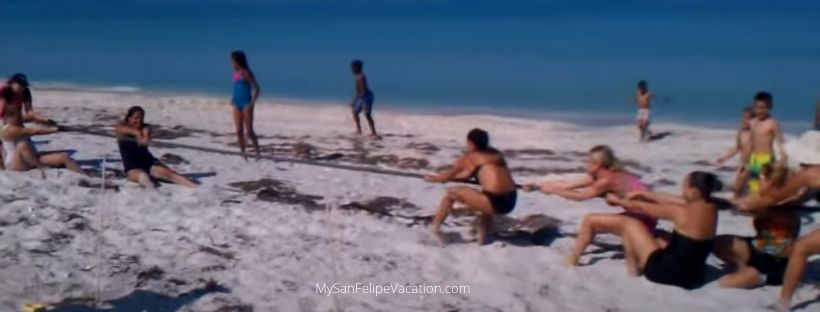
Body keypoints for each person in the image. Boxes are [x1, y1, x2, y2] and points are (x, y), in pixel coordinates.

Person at [522, 145, 657, 266]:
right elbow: (569, 184)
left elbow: (580, 197)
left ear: (597, 164)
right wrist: (537, 186)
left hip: (644, 220)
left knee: (589, 221)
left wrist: (554, 191)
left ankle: (572, 260)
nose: (585, 164)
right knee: (593, 225)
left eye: (588, 161)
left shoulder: (606, 180)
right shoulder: (602, 175)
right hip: (643, 215)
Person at [738, 130, 820, 311]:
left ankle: (783, 303)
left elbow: (774, 197)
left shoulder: (809, 173)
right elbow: (801, 199)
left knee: (801, 248)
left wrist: (748, 205)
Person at [604, 171, 722, 289]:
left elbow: (642, 207)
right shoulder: (712, 207)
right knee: (659, 234)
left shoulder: (680, 212)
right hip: (694, 278)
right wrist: (642, 194)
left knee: (629, 223)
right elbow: (672, 199)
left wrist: (618, 201)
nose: (682, 191)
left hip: (664, 273)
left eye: (685, 188)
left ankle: (633, 270)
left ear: (694, 192)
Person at [713, 164, 800, 289]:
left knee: (726, 283)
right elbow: (737, 203)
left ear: (772, 183)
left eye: (761, 179)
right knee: (719, 242)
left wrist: (737, 189)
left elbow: (742, 206)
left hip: (774, 260)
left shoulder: (782, 203)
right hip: (758, 247)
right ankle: (745, 268)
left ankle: (766, 277)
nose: (758, 182)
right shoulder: (764, 198)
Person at [425, 128, 517, 245]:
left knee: (450, 194)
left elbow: (447, 177)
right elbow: (469, 174)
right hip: (511, 200)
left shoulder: (471, 156)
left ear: (471, 143)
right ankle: (482, 240)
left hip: (495, 202)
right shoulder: (496, 153)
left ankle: (435, 230)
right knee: (485, 199)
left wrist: (433, 179)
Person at [0, 93, 83, 178]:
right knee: (64, 157)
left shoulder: (7, 126)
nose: (20, 116)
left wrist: (47, 121)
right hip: (20, 163)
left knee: (52, 155)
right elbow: (35, 131)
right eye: (18, 114)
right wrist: (57, 129)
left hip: (16, 160)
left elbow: (30, 118)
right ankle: (85, 176)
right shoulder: (11, 130)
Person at [115, 106, 197, 189]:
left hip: (149, 163)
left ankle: (196, 188)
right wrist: (137, 133)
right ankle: (156, 196)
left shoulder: (145, 128)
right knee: (144, 178)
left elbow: (144, 143)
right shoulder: (121, 127)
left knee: (170, 174)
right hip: (132, 167)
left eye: (141, 118)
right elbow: (122, 130)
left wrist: (142, 134)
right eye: (135, 118)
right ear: (129, 118)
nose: (138, 121)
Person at [747, 91, 786, 194]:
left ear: (770, 107)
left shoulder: (773, 123)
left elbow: (781, 141)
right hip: (754, 158)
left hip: (767, 158)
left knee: (766, 183)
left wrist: (783, 158)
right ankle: (754, 200)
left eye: (764, 108)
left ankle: (767, 200)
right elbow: (750, 142)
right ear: (754, 107)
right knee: (753, 183)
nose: (760, 111)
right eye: (758, 108)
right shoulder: (752, 122)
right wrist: (745, 159)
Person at [716, 106, 756, 199]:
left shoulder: (755, 134)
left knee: (753, 188)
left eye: (748, 118)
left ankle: (748, 201)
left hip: (754, 165)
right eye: (743, 118)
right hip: (742, 164)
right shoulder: (741, 132)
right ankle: (736, 202)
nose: (744, 121)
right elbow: (737, 148)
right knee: (738, 186)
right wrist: (725, 157)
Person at [229, 50, 260, 160]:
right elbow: (236, 88)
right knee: (238, 131)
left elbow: (257, 89)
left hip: (246, 104)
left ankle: (257, 152)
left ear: (238, 61)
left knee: (249, 131)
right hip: (236, 104)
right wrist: (232, 98)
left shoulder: (247, 73)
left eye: (232, 60)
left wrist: (251, 103)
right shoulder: (235, 74)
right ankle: (243, 153)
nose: (231, 63)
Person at [349, 60, 377, 138]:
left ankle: (374, 133)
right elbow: (358, 91)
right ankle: (359, 130)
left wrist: (354, 101)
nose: (351, 70)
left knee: (367, 114)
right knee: (355, 112)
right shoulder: (357, 77)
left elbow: (363, 90)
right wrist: (354, 100)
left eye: (352, 68)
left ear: (357, 68)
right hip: (362, 96)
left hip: (367, 96)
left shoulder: (361, 77)